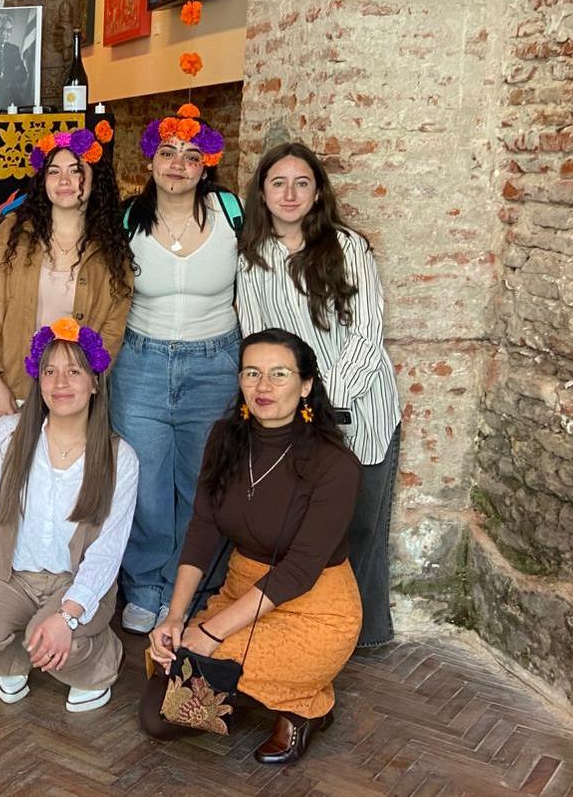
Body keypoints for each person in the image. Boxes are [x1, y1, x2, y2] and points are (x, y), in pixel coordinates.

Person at [139, 329, 362, 764]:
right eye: (252, 373)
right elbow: (203, 528)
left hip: (315, 608)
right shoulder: (225, 438)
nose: (264, 387)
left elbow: (298, 571)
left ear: (306, 385)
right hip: (242, 593)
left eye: (279, 374)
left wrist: (206, 634)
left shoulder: (335, 464)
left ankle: (307, 706)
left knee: (202, 658)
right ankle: (257, 688)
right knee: (159, 717)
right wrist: (176, 616)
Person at [236, 142, 401, 648]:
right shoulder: (253, 259)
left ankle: (368, 637)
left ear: (317, 192)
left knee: (361, 532)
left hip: (362, 411)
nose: (290, 193)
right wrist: (283, 400)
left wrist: (327, 400)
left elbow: (368, 332)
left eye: (301, 183)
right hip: (294, 413)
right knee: (308, 531)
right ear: (262, 193)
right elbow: (258, 336)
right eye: (278, 183)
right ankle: (315, 636)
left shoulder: (348, 248)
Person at [0, 318, 139, 714]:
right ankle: (15, 664)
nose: (60, 383)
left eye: (73, 371)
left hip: (75, 582)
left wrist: (68, 615)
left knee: (55, 634)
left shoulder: (120, 457)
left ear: (95, 382)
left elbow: (108, 550)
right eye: (50, 372)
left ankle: (96, 667)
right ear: (38, 381)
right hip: (15, 577)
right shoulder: (11, 434)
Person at [112, 105, 240, 636]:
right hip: (141, 363)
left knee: (201, 483)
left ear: (206, 165)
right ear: (151, 162)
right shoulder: (127, 219)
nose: (178, 165)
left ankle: (193, 591)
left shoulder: (232, 212)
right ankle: (145, 586)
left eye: (191, 156)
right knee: (144, 484)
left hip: (214, 365)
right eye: (167, 153)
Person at [0, 125, 132, 446]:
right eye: (54, 172)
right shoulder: (12, 235)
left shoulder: (111, 247)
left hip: (71, 392)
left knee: (64, 485)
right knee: (7, 485)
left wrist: (86, 383)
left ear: (94, 179)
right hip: (9, 385)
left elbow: (114, 326)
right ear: (43, 181)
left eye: (76, 170)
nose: (65, 181)